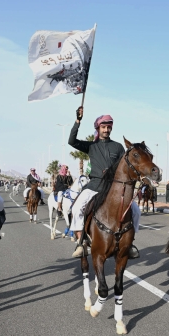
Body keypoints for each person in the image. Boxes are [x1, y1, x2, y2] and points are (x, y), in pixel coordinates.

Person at [68, 106, 141, 259]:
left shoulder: (118, 147)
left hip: (113, 189)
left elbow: (126, 166)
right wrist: (77, 121)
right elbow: (71, 141)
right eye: (103, 127)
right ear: (98, 128)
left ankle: (130, 243)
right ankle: (81, 242)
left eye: (109, 127)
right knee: (76, 208)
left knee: (136, 210)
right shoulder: (91, 146)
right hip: (94, 186)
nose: (106, 130)